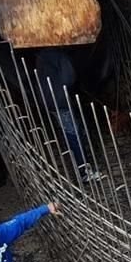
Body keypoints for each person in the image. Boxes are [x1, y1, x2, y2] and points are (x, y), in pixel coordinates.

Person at [35, 49, 102, 182]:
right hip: (60, 100)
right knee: (74, 135)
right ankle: (84, 172)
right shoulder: (60, 55)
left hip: (48, 100)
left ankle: (81, 167)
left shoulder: (41, 54)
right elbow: (69, 78)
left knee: (72, 131)